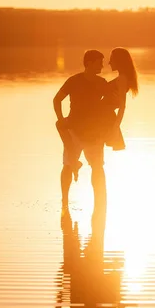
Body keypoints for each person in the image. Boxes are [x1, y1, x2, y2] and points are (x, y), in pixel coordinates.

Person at [53, 50, 108, 208]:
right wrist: (61, 119)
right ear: (89, 63)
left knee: (97, 167)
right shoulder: (74, 81)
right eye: (99, 62)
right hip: (73, 131)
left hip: (94, 133)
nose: (102, 65)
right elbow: (57, 99)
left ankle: (100, 201)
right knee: (68, 165)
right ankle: (64, 201)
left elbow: (111, 104)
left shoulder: (102, 83)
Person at [99, 47, 139, 151]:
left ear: (119, 61)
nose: (109, 63)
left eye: (111, 59)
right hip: (104, 114)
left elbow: (122, 106)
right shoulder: (122, 78)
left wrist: (115, 127)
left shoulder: (122, 79)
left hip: (104, 116)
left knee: (96, 148)